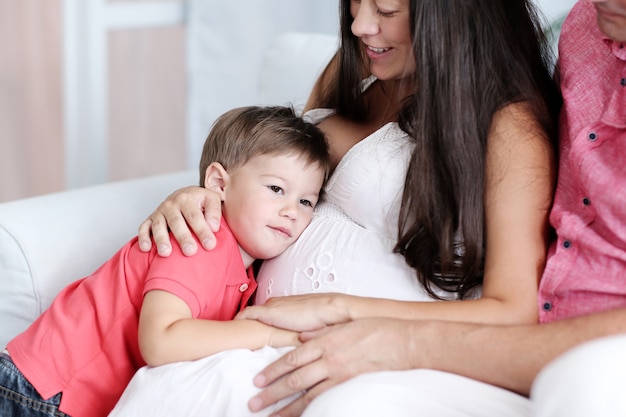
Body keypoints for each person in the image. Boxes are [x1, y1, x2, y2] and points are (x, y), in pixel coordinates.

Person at [131, 0, 564, 416]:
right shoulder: (356, 66)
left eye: (387, 10)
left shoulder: (510, 128)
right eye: (356, 3)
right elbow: (269, 171)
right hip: (244, 336)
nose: (360, 26)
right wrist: (199, 195)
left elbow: (514, 311)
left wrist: (342, 307)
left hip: (370, 360)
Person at [0, 105, 330, 417]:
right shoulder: (201, 240)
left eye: (305, 200)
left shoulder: (243, 266)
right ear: (218, 184)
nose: (291, 211)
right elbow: (161, 341)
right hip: (38, 393)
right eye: (276, 188)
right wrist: (266, 336)